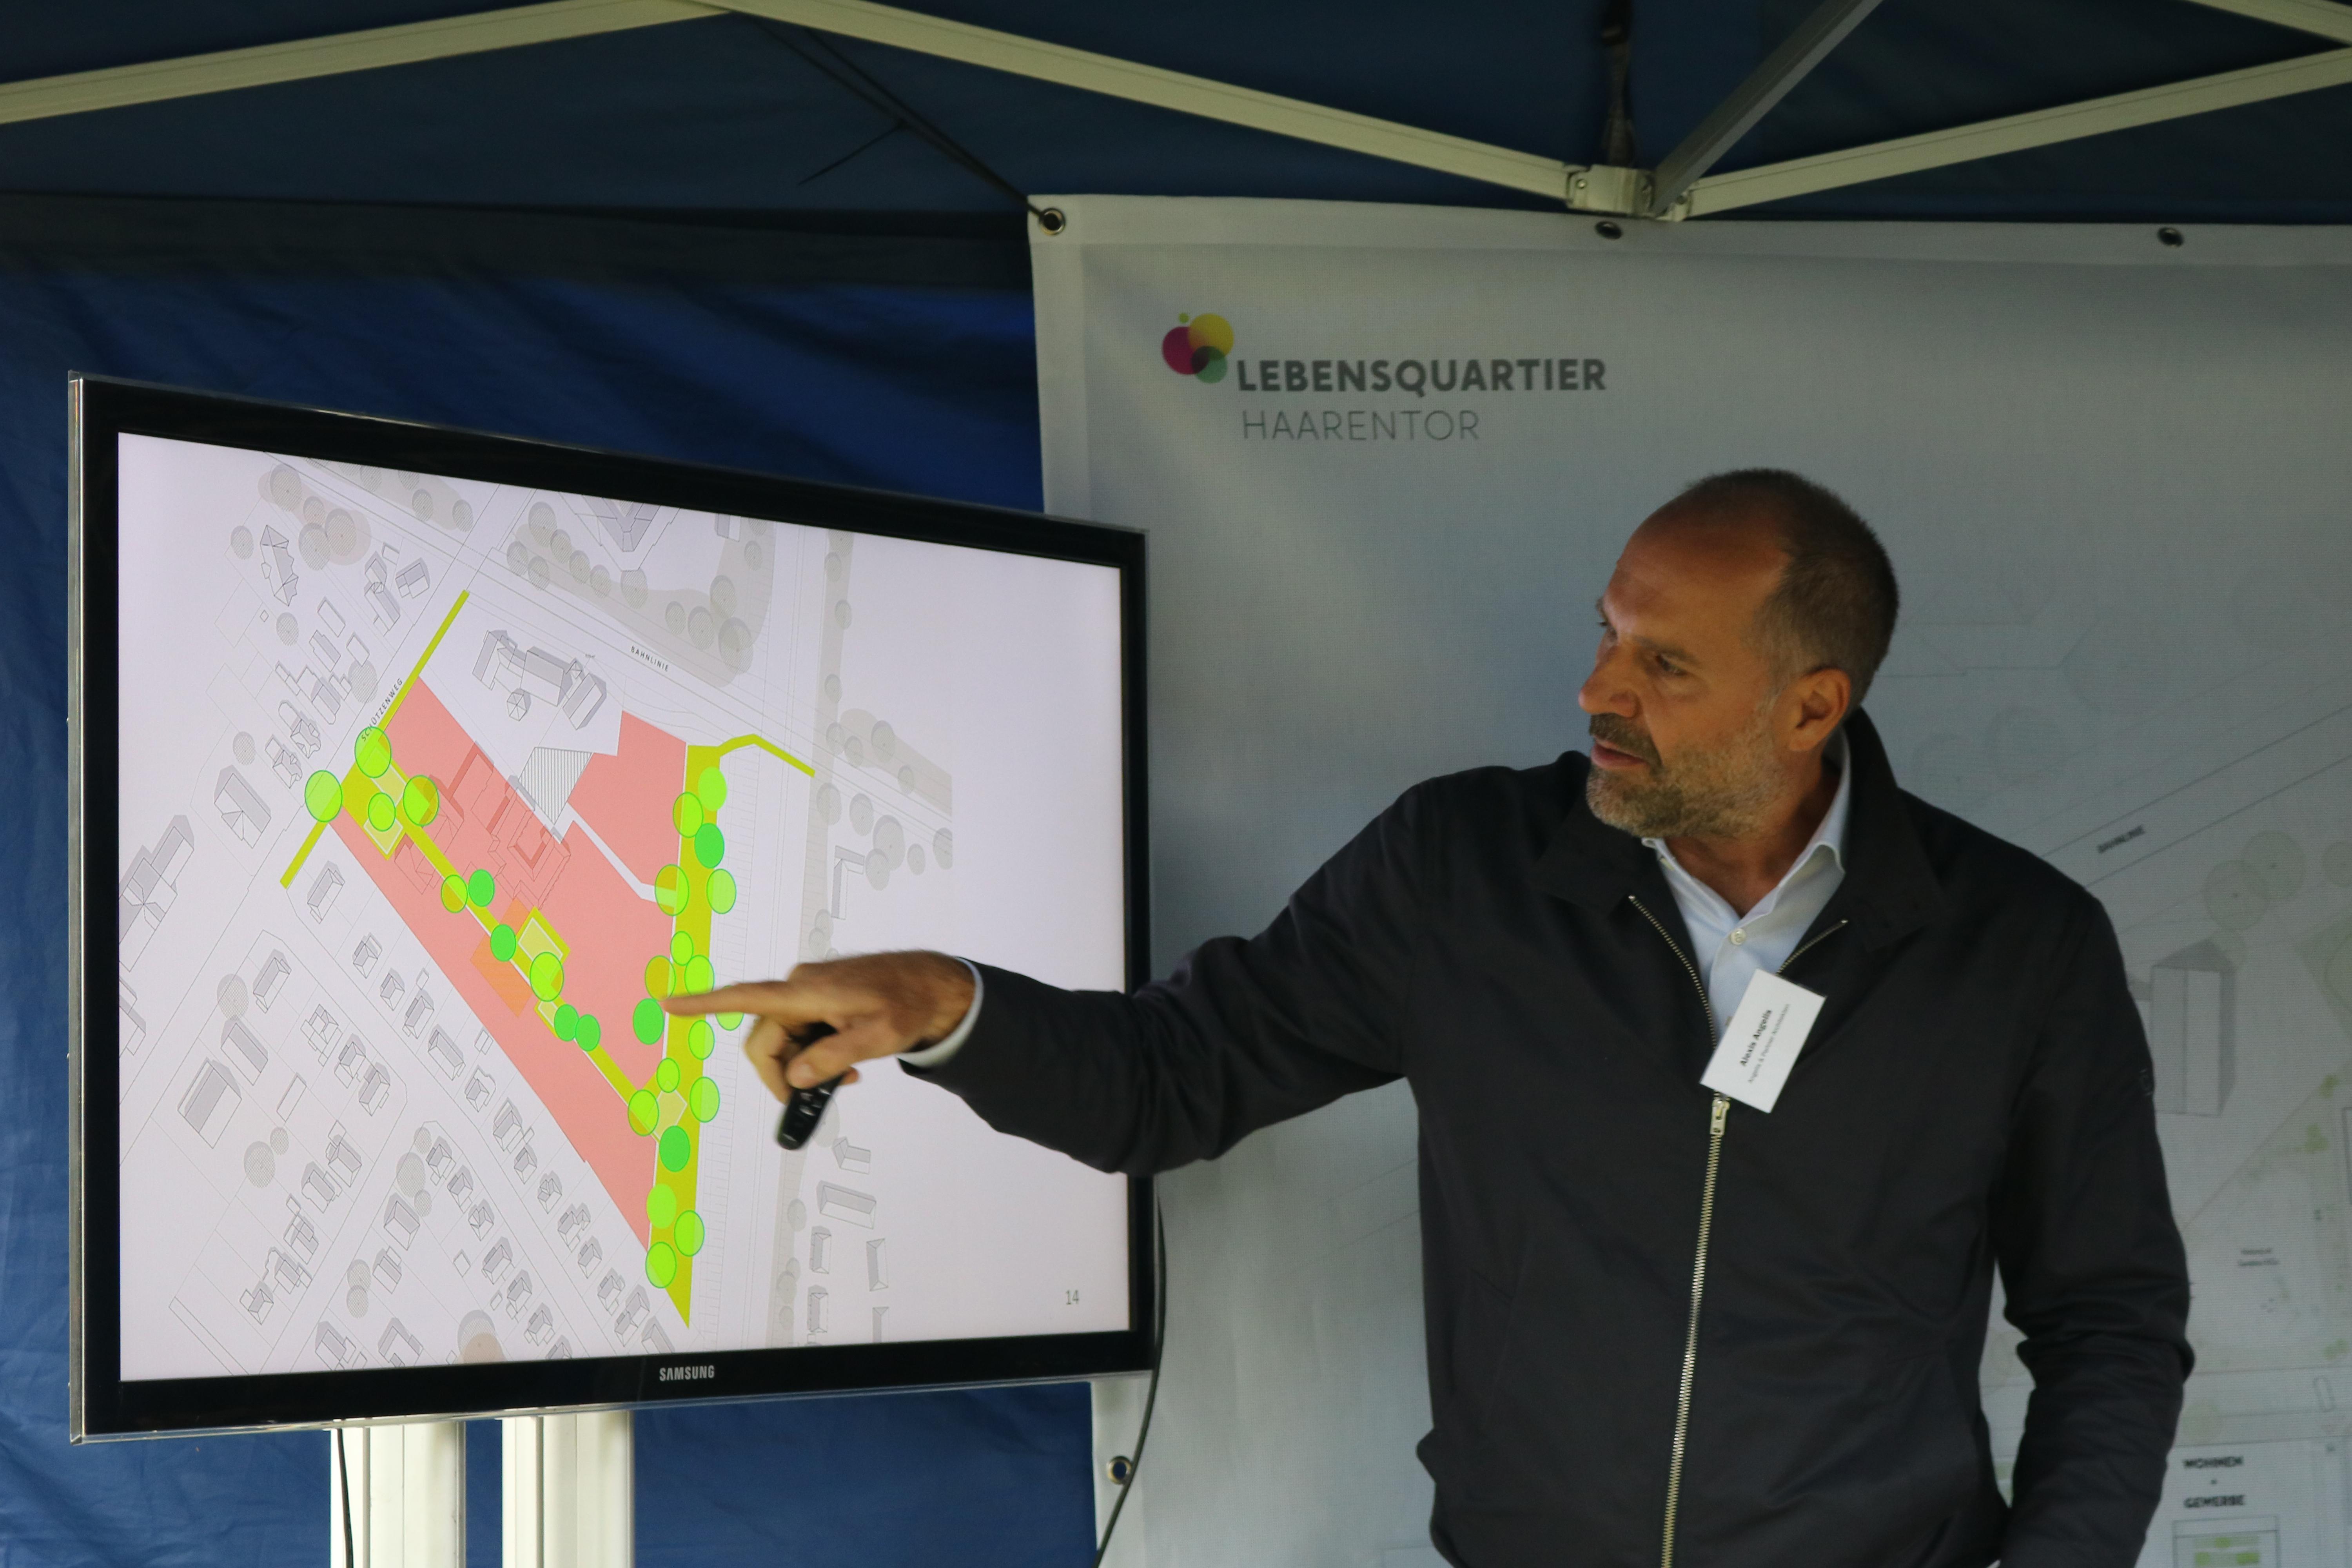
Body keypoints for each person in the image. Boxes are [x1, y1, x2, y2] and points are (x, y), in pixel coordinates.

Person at [670, 470, 2190, 1568]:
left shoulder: (2019, 948)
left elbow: (2110, 1320)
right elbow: (1172, 1079)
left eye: (1664, 665)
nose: (1598, 688)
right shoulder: (1464, 874)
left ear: (1812, 707)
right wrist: (951, 1007)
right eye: (1609, 632)